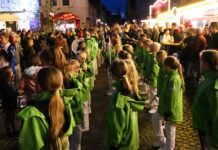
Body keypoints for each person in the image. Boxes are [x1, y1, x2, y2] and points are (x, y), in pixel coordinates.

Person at [18, 67, 75, 150]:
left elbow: (28, 145)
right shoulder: (66, 103)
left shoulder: (32, 113)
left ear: (38, 86)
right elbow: (69, 130)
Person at [107, 60, 145, 150]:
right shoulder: (131, 89)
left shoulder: (118, 96)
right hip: (131, 138)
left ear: (113, 75)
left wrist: (114, 142)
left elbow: (117, 122)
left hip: (122, 143)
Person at [192, 50, 218, 150]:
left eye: (201, 61)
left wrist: (215, 140)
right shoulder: (208, 78)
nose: (200, 64)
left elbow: (216, 114)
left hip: (209, 131)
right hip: (203, 126)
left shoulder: (213, 84)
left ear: (206, 63)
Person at [157, 56, 184, 150]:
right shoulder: (170, 76)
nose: (163, 67)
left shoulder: (174, 79)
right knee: (156, 118)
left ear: (168, 66)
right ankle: (163, 142)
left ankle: (169, 148)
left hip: (170, 111)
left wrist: (168, 113)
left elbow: (173, 98)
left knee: (170, 130)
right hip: (166, 108)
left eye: (164, 65)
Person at [151, 50, 168, 148]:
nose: (156, 59)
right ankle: (166, 143)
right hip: (162, 97)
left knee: (156, 118)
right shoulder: (163, 67)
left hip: (164, 100)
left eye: (158, 58)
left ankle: (163, 141)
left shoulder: (164, 69)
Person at [0, 66, 17, 136]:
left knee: (12, 117)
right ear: (6, 75)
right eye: (11, 72)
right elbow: (7, 95)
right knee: (9, 117)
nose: (13, 72)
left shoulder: (11, 82)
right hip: (8, 104)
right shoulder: (4, 86)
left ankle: (13, 129)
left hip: (12, 103)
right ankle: (10, 130)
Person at [144, 42, 160, 114]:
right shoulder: (152, 57)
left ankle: (156, 107)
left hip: (153, 79)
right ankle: (151, 104)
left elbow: (155, 71)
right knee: (151, 92)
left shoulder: (155, 59)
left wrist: (149, 77)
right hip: (150, 78)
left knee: (154, 93)